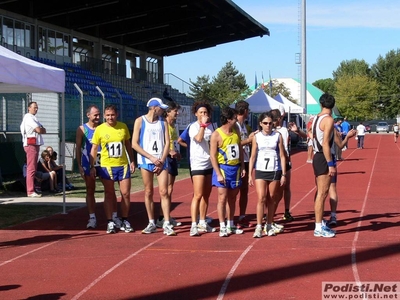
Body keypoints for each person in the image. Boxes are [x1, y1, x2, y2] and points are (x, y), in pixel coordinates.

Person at [132, 97, 176, 236]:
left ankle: (167, 223)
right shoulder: (140, 121)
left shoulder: (163, 122)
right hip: (146, 161)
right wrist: (150, 157)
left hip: (161, 161)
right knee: (148, 191)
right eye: (161, 108)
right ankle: (151, 222)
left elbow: (167, 142)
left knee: (164, 191)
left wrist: (162, 160)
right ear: (154, 108)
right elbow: (134, 143)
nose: (163, 110)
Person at [90, 104, 136, 234]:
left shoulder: (123, 127)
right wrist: (91, 165)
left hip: (123, 165)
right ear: (104, 116)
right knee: (109, 194)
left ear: (117, 115)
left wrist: (132, 161)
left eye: (112, 115)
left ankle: (125, 219)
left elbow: (127, 145)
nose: (110, 117)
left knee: (126, 194)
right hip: (107, 166)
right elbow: (94, 148)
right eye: (108, 115)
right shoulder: (100, 129)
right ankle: (110, 221)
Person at [76, 105, 121, 229]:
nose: (98, 117)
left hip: (105, 162)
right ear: (88, 115)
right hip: (88, 162)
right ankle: (92, 218)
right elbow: (78, 148)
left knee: (110, 190)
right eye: (95, 115)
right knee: (90, 189)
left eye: (99, 114)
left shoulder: (104, 126)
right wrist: (79, 165)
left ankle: (114, 216)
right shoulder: (82, 129)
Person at [249, 111, 286, 238]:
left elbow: (282, 155)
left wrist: (284, 174)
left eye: (270, 123)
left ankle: (269, 224)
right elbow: (253, 156)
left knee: (271, 198)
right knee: (261, 198)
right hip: (260, 170)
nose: (268, 125)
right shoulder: (256, 136)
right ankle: (259, 226)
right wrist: (250, 174)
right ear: (260, 124)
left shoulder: (278, 136)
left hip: (274, 170)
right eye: (265, 123)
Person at [210, 107, 245, 237]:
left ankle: (231, 224)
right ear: (229, 119)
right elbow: (213, 156)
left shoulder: (236, 131)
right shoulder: (216, 134)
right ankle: (222, 226)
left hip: (235, 168)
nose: (237, 120)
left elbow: (240, 150)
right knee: (222, 198)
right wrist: (218, 173)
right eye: (235, 118)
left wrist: (243, 167)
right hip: (223, 168)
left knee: (232, 198)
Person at [184, 101, 216, 237]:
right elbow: (198, 138)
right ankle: (193, 224)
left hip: (209, 164)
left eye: (205, 113)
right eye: (201, 112)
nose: (203, 115)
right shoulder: (193, 126)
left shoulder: (213, 127)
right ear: (196, 114)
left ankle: (203, 221)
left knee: (206, 195)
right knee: (197, 194)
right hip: (197, 164)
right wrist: (202, 125)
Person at [310, 93, 337, 238]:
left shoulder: (316, 118)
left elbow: (312, 136)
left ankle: (319, 224)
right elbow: (326, 143)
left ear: (321, 104)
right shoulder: (328, 120)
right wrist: (330, 164)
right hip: (323, 156)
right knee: (322, 193)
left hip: (317, 155)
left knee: (320, 192)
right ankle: (318, 227)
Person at [156, 101, 182, 228]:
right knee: (166, 189)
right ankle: (161, 217)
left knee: (170, 189)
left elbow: (173, 142)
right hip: (165, 158)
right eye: (175, 111)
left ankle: (166, 215)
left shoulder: (173, 126)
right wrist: (168, 152)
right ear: (168, 112)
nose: (177, 113)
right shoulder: (163, 125)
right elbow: (161, 142)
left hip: (172, 158)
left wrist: (176, 152)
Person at [234, 100, 257, 229]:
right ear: (245, 111)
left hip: (246, 160)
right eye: (248, 111)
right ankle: (231, 218)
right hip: (236, 161)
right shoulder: (234, 125)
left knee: (244, 190)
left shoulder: (244, 125)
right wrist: (248, 140)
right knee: (234, 192)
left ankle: (242, 216)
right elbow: (233, 143)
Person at [271, 107, 294, 224]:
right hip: (277, 162)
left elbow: (285, 147)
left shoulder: (283, 130)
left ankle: (285, 211)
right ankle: (272, 214)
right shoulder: (273, 130)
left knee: (284, 188)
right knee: (276, 191)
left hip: (283, 161)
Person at [20, 101, 47, 198]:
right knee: (31, 168)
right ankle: (30, 191)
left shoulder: (34, 118)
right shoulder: (28, 118)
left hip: (35, 144)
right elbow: (40, 130)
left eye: (37, 107)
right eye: (34, 107)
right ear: (29, 108)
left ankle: (32, 188)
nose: (36, 109)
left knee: (33, 168)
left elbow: (43, 129)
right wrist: (40, 129)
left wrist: (41, 129)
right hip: (31, 144)